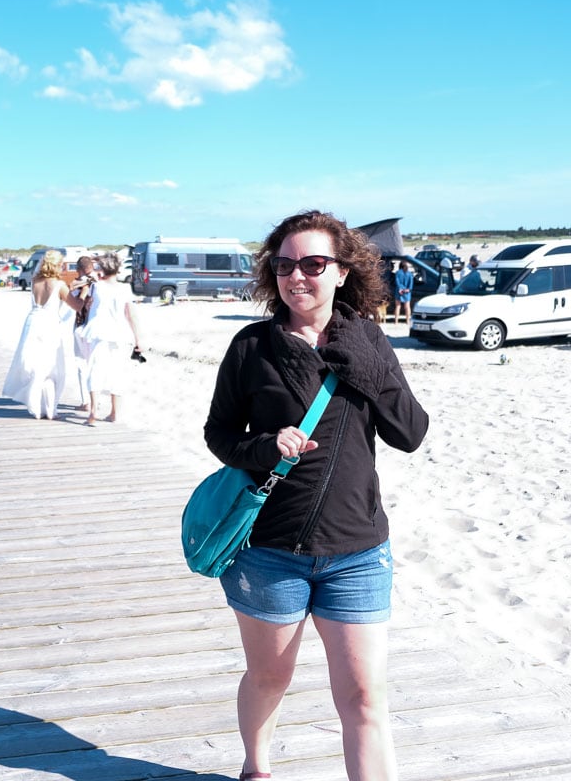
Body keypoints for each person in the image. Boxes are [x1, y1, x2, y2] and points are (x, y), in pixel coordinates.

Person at [204, 210, 428, 781]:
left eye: (312, 263)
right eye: (283, 265)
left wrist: (370, 373)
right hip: (270, 551)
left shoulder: (369, 340)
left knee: (363, 698)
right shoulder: (252, 346)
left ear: (342, 271)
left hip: (357, 551)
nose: (296, 276)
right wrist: (265, 447)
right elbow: (219, 435)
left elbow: (411, 433)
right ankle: (256, 769)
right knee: (269, 678)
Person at [1, 250, 73, 420]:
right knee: (53, 368)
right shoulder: (59, 285)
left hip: (33, 322)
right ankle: (50, 409)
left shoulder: (35, 281)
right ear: (56, 265)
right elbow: (76, 305)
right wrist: (84, 293)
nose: (63, 266)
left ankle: (36, 406)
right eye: (61, 263)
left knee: (36, 365)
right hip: (49, 325)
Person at [77, 251, 140, 426]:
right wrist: (138, 339)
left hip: (99, 332)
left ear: (102, 268)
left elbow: (87, 282)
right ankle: (114, 413)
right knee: (117, 372)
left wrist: (96, 262)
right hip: (120, 333)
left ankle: (93, 413)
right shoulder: (125, 288)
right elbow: (131, 315)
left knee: (95, 370)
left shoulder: (97, 285)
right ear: (119, 269)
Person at [65, 255, 99, 412]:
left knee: (81, 363)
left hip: (80, 325)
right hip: (95, 328)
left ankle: (86, 401)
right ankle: (95, 401)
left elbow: (73, 302)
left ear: (79, 269)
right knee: (95, 364)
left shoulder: (76, 284)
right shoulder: (99, 282)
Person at [393, 260, 414, 324]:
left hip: (399, 291)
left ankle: (396, 321)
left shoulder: (398, 273)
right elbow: (411, 284)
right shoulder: (410, 274)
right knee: (407, 307)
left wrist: (400, 289)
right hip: (407, 292)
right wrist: (408, 289)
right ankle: (407, 321)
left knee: (398, 306)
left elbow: (397, 282)